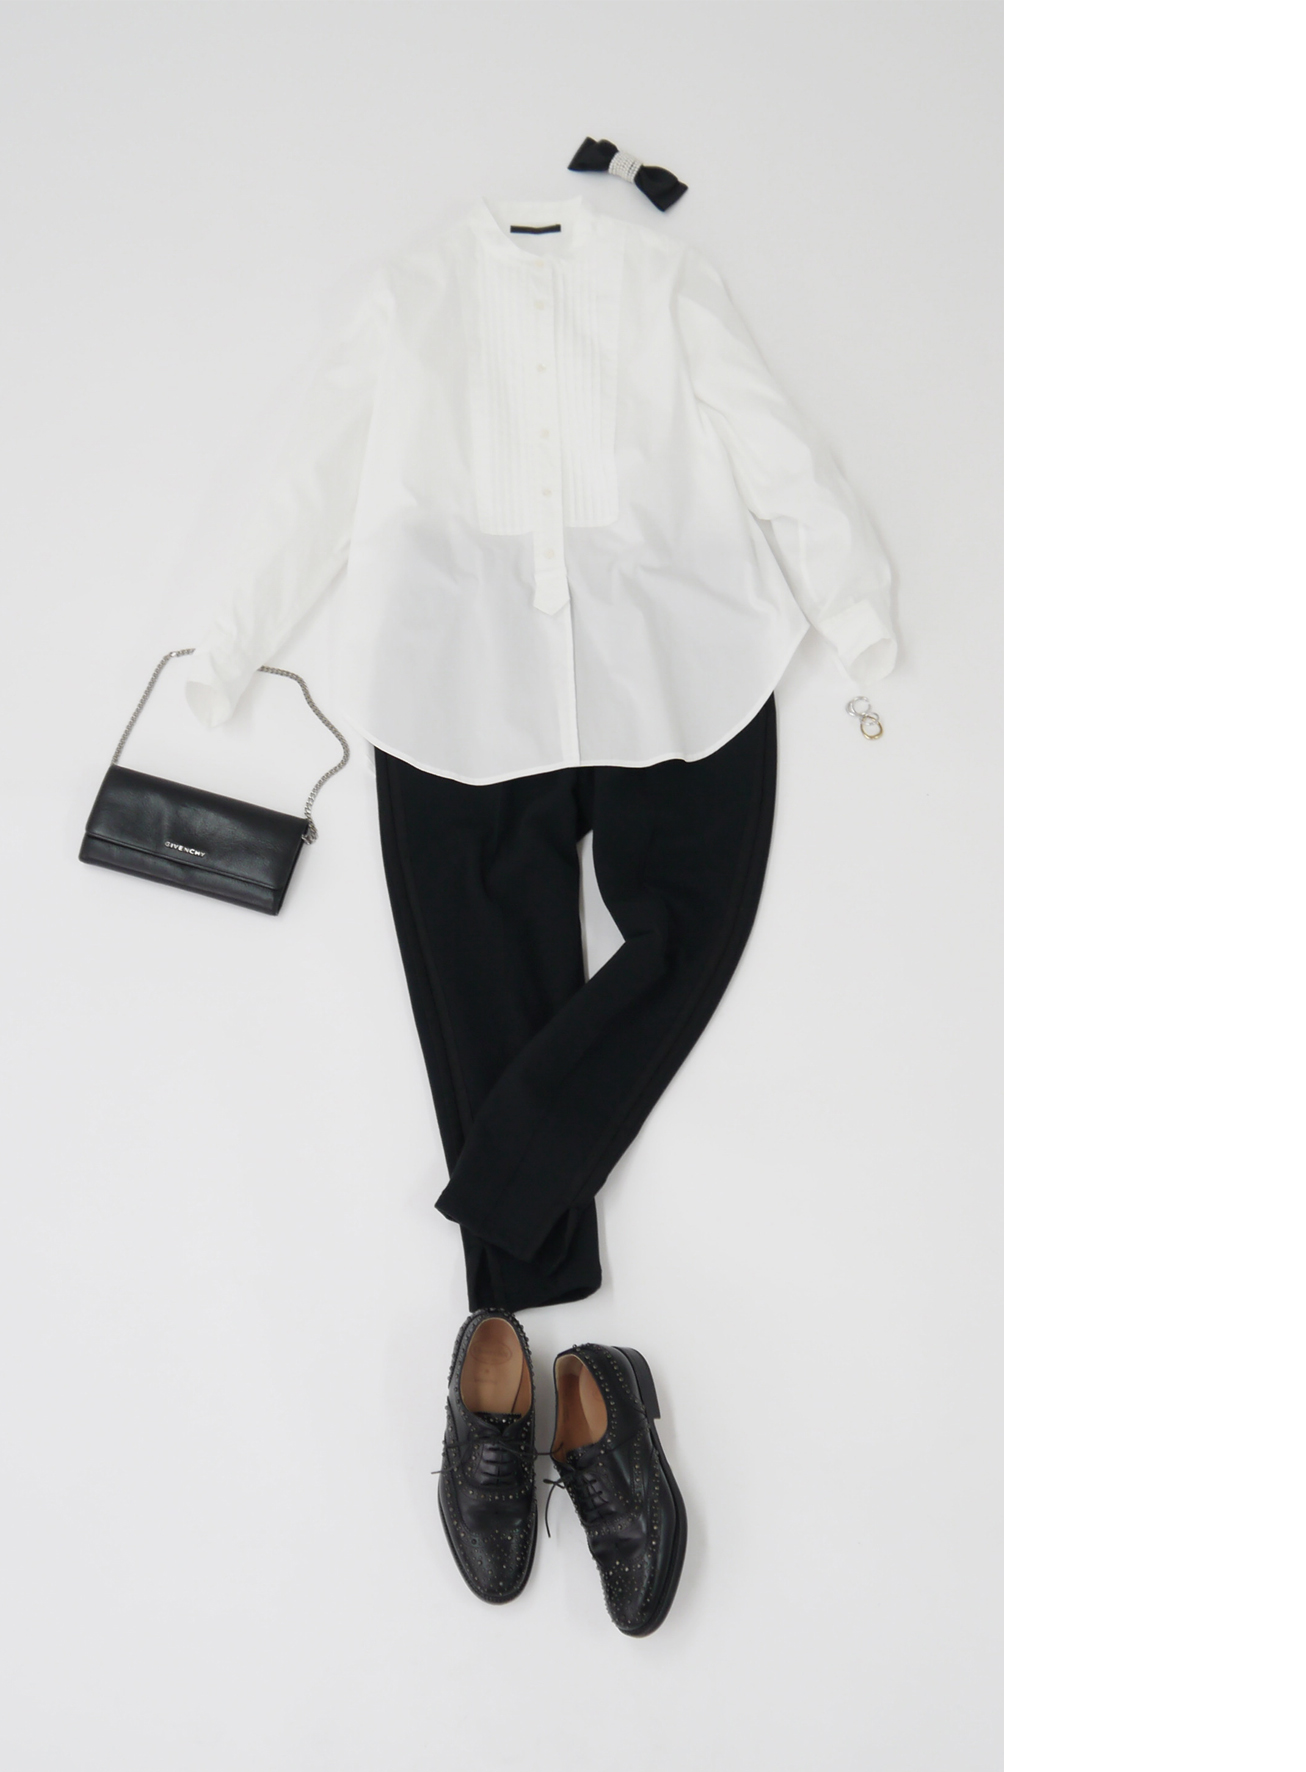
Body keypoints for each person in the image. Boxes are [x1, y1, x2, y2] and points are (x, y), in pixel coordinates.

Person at [184, 194, 896, 1626]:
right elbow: (315, 473)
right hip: (460, 675)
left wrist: (854, 610)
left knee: (688, 924)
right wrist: (228, 644)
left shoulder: (664, 276)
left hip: (672, 657)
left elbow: (773, 442)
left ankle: (505, 1295)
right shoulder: (412, 291)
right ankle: (545, 1330)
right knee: (480, 977)